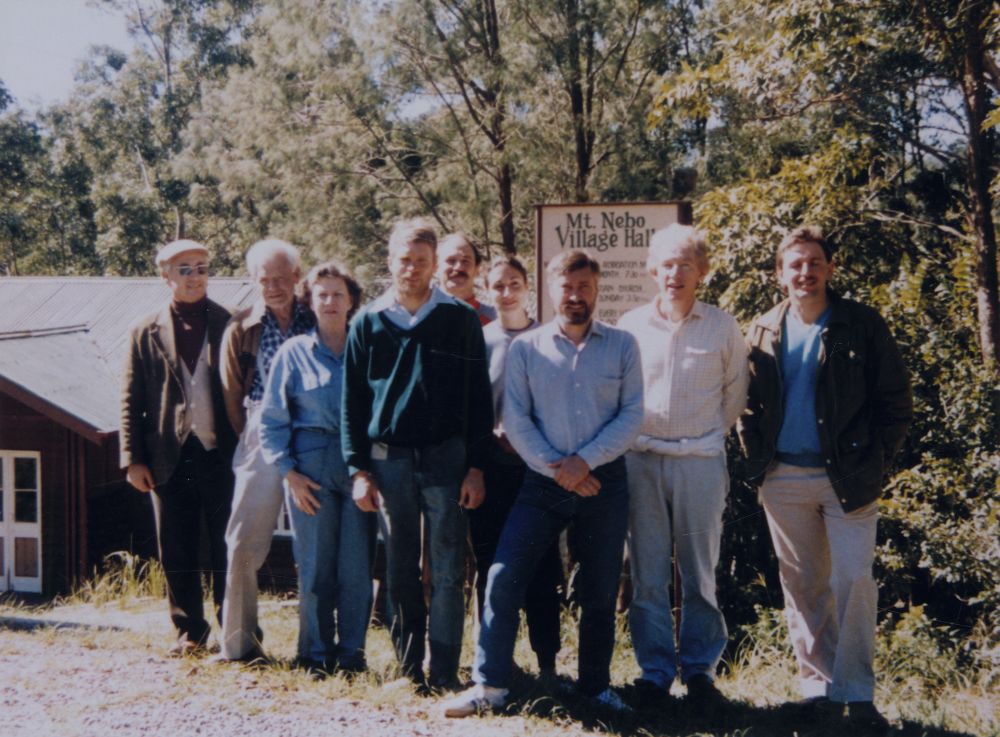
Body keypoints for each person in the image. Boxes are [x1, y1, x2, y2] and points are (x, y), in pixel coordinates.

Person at [444, 249, 644, 717]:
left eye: (584, 288)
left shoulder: (622, 346)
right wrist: (561, 468)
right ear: (551, 290)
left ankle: (595, 688)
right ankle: (490, 686)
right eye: (567, 288)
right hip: (542, 481)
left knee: (598, 589)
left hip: (603, 481)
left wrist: (585, 462)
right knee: (503, 576)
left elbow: (632, 413)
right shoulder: (527, 349)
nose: (575, 296)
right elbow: (516, 418)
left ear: (596, 290)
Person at [737, 225, 912, 732]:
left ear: (830, 268)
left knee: (854, 580)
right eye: (795, 264)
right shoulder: (763, 329)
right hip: (783, 478)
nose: (805, 272)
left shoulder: (861, 324)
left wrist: (875, 463)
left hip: (849, 478)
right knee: (803, 585)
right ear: (779, 273)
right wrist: (760, 462)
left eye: (814, 262)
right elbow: (746, 407)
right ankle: (817, 687)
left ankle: (856, 695)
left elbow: (895, 403)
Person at [342, 218, 493, 689]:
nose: (412, 269)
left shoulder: (460, 319)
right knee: (401, 567)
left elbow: (478, 399)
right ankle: (409, 669)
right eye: (404, 260)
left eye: (421, 262)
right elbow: (352, 400)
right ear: (391, 262)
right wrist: (358, 469)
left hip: (447, 458)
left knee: (448, 568)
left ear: (433, 266)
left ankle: (445, 670)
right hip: (390, 460)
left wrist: (476, 466)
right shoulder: (367, 321)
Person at [616, 224, 748, 708]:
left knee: (700, 571)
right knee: (647, 572)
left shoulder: (722, 326)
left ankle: (699, 672)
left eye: (686, 264)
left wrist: (699, 437)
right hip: (643, 462)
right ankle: (653, 673)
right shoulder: (630, 325)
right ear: (654, 269)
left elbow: (733, 397)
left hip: (700, 463)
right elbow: (621, 393)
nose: (675, 273)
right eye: (667, 264)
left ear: (702, 272)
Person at [120, 239, 236, 656]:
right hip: (168, 454)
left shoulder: (229, 323)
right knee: (177, 544)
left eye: (202, 267)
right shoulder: (144, 330)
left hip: (219, 452)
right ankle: (189, 631)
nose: (195, 276)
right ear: (165, 276)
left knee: (227, 543)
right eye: (184, 269)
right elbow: (131, 399)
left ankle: (234, 631)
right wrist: (133, 459)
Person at [259, 262, 375, 674]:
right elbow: (271, 420)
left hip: (359, 466)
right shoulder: (294, 354)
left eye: (338, 294)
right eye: (322, 294)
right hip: (310, 468)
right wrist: (289, 473)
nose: (329, 302)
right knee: (314, 565)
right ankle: (314, 652)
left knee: (357, 567)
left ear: (351, 302)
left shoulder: (369, 350)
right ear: (310, 300)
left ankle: (352, 654)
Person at [217, 239, 315, 662]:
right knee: (242, 540)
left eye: (280, 278)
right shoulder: (242, 327)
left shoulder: (319, 315)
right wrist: (258, 435)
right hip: (259, 428)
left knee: (312, 543)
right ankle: (238, 644)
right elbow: (231, 393)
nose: (273, 287)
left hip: (313, 428)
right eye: (264, 280)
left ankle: (313, 648)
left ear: (297, 276)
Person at [468, 255, 562, 680]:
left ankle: (547, 662)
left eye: (514, 284)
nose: (506, 293)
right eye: (498, 286)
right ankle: (495, 661)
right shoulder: (480, 339)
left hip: (537, 469)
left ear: (528, 287)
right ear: (487, 291)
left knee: (542, 567)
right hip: (492, 468)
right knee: (491, 566)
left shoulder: (547, 338)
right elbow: (471, 410)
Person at [437, 232, 497, 325]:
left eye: (466, 261)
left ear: (477, 269)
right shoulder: (419, 316)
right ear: (435, 267)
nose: (458, 267)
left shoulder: (496, 320)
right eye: (451, 261)